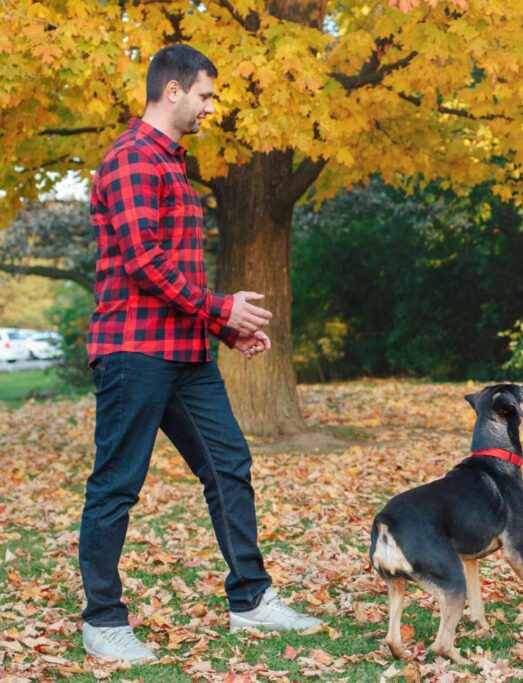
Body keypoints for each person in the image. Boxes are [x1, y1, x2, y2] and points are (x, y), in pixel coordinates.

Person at [79, 44, 320, 664]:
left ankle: (250, 601)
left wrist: (224, 329)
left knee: (229, 466)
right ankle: (103, 622)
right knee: (117, 486)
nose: (212, 106)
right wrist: (222, 309)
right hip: (133, 352)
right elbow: (144, 263)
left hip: (185, 355)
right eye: (206, 95)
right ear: (173, 91)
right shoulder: (132, 159)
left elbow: (175, 274)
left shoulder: (171, 164)